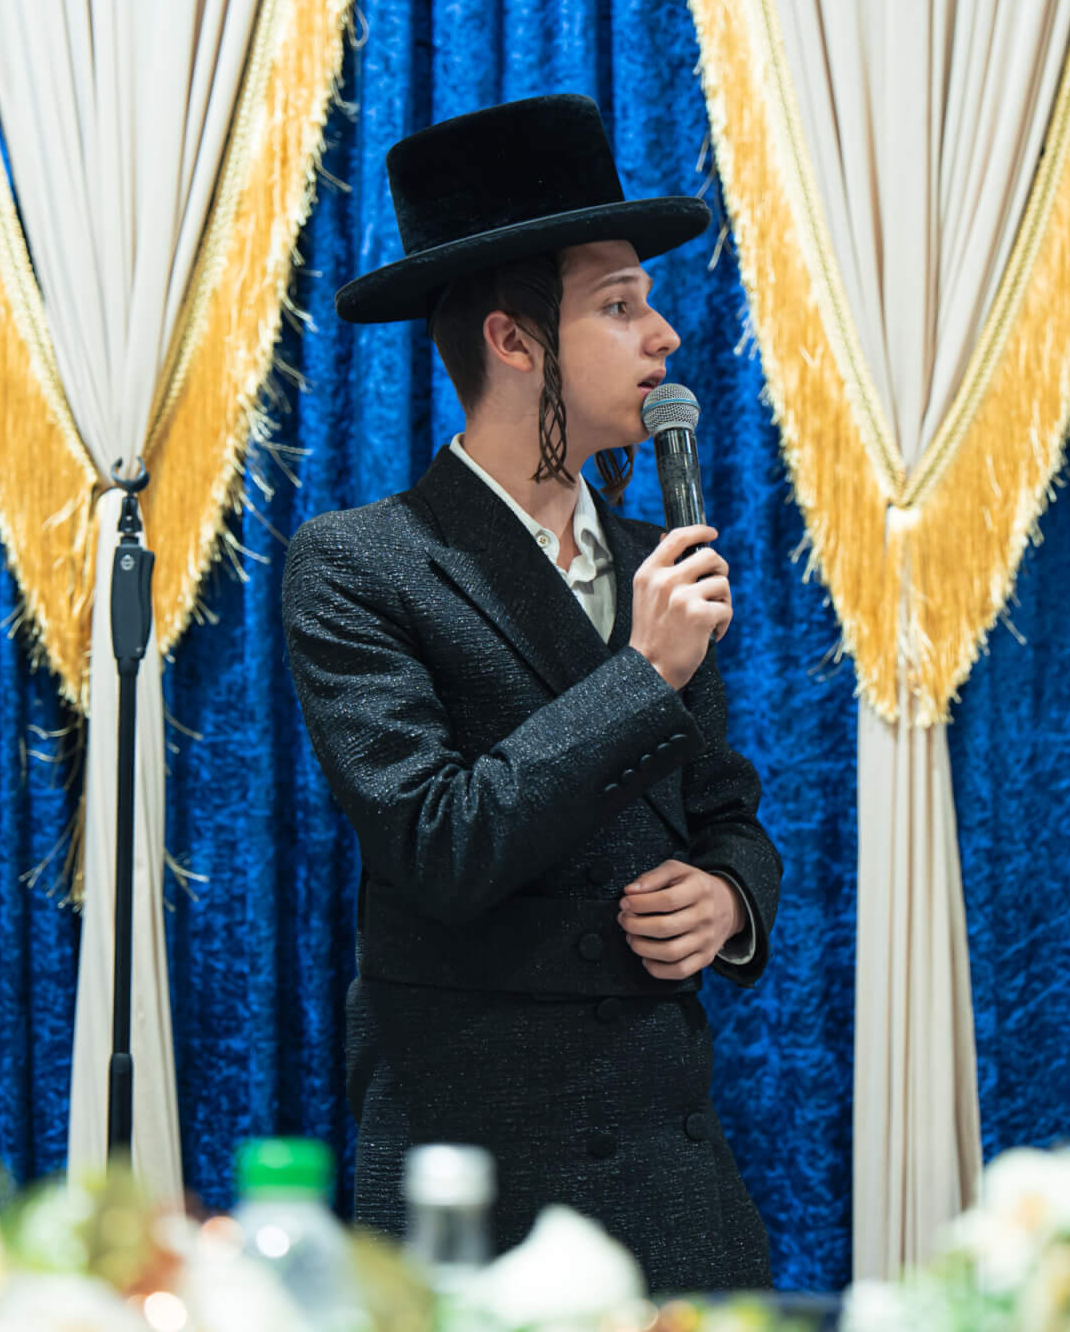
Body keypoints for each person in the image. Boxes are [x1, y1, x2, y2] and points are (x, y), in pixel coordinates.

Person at [282, 94, 782, 1292]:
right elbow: (437, 841)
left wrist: (728, 897)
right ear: (513, 341)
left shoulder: (655, 555)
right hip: (479, 1186)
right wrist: (641, 673)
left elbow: (726, 807)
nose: (662, 334)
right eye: (618, 305)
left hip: (674, 1184)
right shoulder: (360, 563)